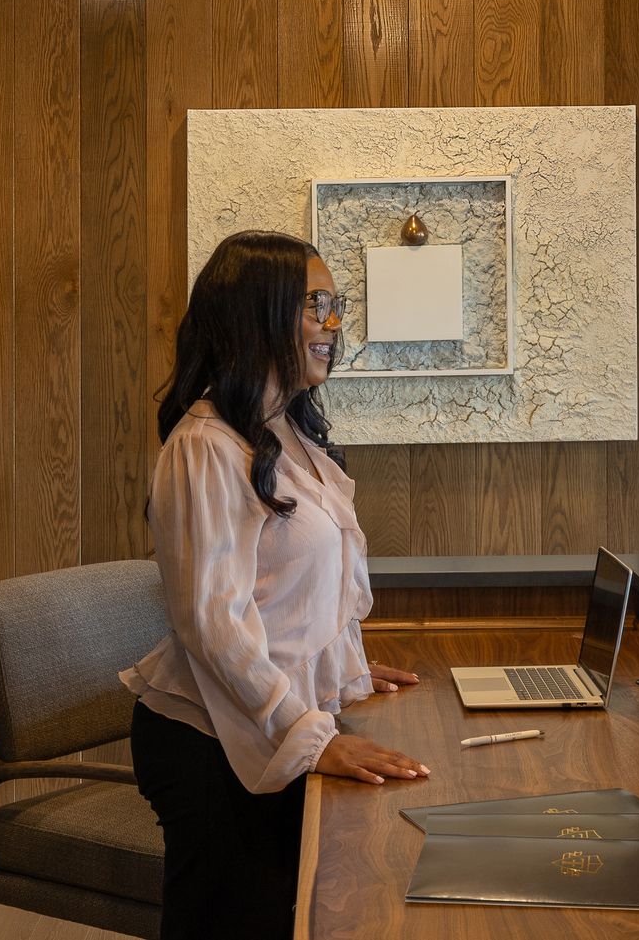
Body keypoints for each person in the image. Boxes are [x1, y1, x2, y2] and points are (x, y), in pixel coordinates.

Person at [121, 229, 429, 939]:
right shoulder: (205, 445)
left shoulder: (285, 430)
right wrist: (308, 733)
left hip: (265, 719)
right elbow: (214, 624)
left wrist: (340, 662)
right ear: (257, 313)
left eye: (335, 305)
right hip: (211, 743)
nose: (333, 323)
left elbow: (291, 592)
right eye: (314, 305)